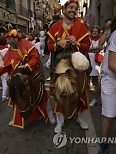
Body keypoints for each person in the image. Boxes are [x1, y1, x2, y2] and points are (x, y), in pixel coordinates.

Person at [0, 29, 49, 128]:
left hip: (32, 74)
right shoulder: (11, 49)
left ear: (16, 38)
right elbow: (7, 66)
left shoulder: (27, 45)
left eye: (10, 39)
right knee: (17, 95)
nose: (8, 42)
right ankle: (16, 118)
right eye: (8, 39)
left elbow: (35, 58)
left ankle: (49, 114)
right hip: (18, 77)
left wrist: (27, 65)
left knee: (41, 95)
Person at [47, 0, 91, 133]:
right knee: (61, 91)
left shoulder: (81, 25)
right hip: (60, 63)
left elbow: (87, 45)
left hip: (77, 63)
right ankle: (60, 121)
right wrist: (58, 43)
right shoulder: (55, 26)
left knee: (81, 91)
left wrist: (76, 43)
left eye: (76, 8)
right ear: (64, 9)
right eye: (71, 7)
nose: (73, 10)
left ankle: (80, 117)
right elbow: (49, 46)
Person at [98, 16, 116, 154]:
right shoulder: (114, 34)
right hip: (111, 79)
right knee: (109, 115)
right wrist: (106, 29)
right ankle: (103, 144)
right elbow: (112, 64)